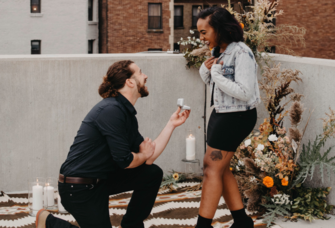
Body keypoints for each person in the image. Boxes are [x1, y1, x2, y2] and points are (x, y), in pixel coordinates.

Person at [35, 60, 191, 228]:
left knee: (151, 173)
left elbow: (148, 158)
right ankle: (48, 222)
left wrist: (171, 124)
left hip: (100, 180)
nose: (145, 76)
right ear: (129, 82)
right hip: (78, 188)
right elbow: (125, 160)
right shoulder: (111, 111)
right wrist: (142, 155)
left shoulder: (125, 113)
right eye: (140, 72)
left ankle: (131, 225)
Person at [195, 7, 261, 228]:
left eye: (204, 32)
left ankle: (202, 226)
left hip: (236, 117)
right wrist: (207, 71)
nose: (201, 37)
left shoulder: (242, 53)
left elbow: (245, 92)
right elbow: (219, 87)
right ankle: (242, 221)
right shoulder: (220, 51)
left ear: (220, 29)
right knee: (218, 167)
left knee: (211, 167)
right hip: (222, 113)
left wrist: (216, 75)